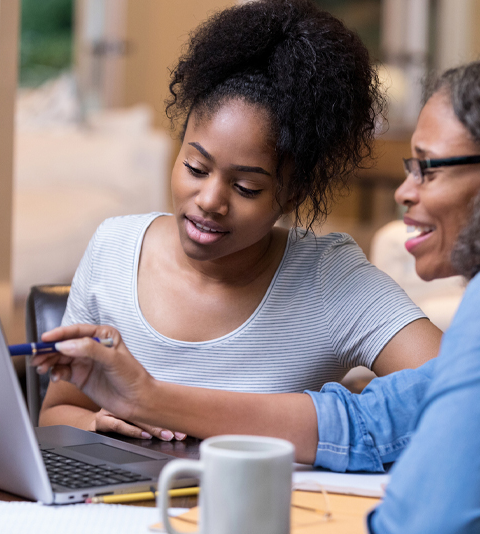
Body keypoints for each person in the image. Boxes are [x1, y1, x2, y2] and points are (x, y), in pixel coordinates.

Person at [33, 48, 480, 533]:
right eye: (196, 166)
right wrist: (145, 399)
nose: (403, 192)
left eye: (427, 169)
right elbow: (370, 422)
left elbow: (428, 518)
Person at [40, 0, 440, 440]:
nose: (210, 200)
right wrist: (96, 423)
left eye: (247, 188)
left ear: (293, 193)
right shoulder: (113, 249)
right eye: (195, 167)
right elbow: (58, 412)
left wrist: (349, 405)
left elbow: (458, 391)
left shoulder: (328, 281)